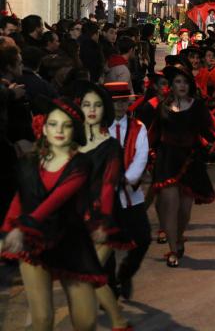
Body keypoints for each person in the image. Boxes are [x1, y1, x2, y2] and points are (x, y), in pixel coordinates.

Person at [1, 97, 103, 331]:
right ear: (43, 127)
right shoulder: (29, 162)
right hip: (34, 241)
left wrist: (21, 228)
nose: (59, 130)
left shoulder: (80, 164)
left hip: (71, 241)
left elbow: (55, 200)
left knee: (86, 321)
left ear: (73, 131)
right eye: (53, 124)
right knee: (43, 320)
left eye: (66, 125)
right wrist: (6, 233)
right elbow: (20, 199)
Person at [76, 82, 133, 330]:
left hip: (104, 218)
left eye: (97, 105)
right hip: (77, 218)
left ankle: (116, 321)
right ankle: (117, 321)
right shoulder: (69, 139)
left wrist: (104, 221)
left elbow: (109, 185)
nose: (91, 110)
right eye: (86, 104)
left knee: (89, 273)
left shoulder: (110, 145)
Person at [152, 64, 215, 268]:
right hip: (167, 160)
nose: (182, 85)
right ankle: (172, 249)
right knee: (170, 206)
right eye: (177, 81)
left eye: (185, 82)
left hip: (190, 160)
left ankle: (179, 237)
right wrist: (144, 155)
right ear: (171, 85)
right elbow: (153, 134)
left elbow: (208, 129)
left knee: (185, 211)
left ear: (190, 85)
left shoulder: (197, 106)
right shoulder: (161, 106)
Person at [104, 82, 151, 301]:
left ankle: (126, 273)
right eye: (115, 102)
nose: (120, 106)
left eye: (124, 101)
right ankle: (110, 286)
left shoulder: (138, 127)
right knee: (107, 244)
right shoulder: (98, 128)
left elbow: (141, 157)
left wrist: (127, 179)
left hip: (130, 195)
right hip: (103, 196)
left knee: (143, 238)